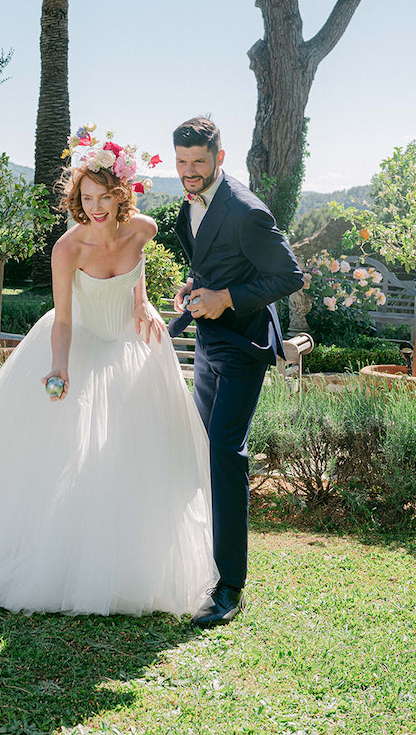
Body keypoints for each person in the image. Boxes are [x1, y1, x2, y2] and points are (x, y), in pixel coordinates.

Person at [0, 125, 216, 616]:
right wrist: (60, 367)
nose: (94, 207)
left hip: (132, 348)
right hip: (81, 343)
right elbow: (64, 320)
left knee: (131, 455)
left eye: (104, 197)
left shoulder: (145, 229)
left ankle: (126, 556)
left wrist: (144, 303)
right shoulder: (68, 249)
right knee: (58, 456)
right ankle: (54, 549)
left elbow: (137, 272)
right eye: (86, 197)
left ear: (121, 195)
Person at [169, 116, 303, 630]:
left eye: (199, 162)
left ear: (219, 157)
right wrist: (194, 287)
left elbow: (289, 274)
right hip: (208, 339)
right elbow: (213, 262)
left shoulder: (247, 211)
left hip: (244, 343)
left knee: (226, 451)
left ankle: (230, 587)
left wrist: (226, 298)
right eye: (181, 163)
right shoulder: (190, 200)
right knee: (205, 447)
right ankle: (206, 560)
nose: (189, 172)